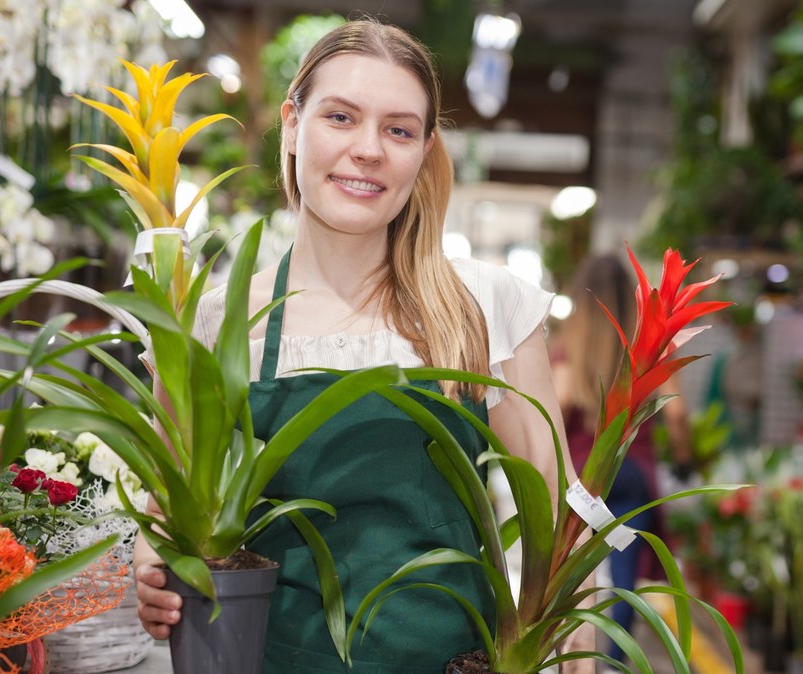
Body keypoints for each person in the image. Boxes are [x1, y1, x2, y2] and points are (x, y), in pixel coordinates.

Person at [131, 20, 592, 673]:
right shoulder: (214, 324)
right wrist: (155, 568)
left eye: (399, 130)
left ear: (425, 150)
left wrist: (570, 643)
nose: (368, 149)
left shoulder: (483, 308)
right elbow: (165, 518)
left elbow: (557, 520)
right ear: (292, 124)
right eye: (341, 117)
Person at [551, 254, 692, 668]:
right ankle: (615, 663)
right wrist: (684, 456)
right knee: (625, 579)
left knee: (570, 572)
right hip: (631, 474)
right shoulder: (648, 349)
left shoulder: (568, 349)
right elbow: (679, 415)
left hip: (581, 480)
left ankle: (574, 656)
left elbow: (557, 407)